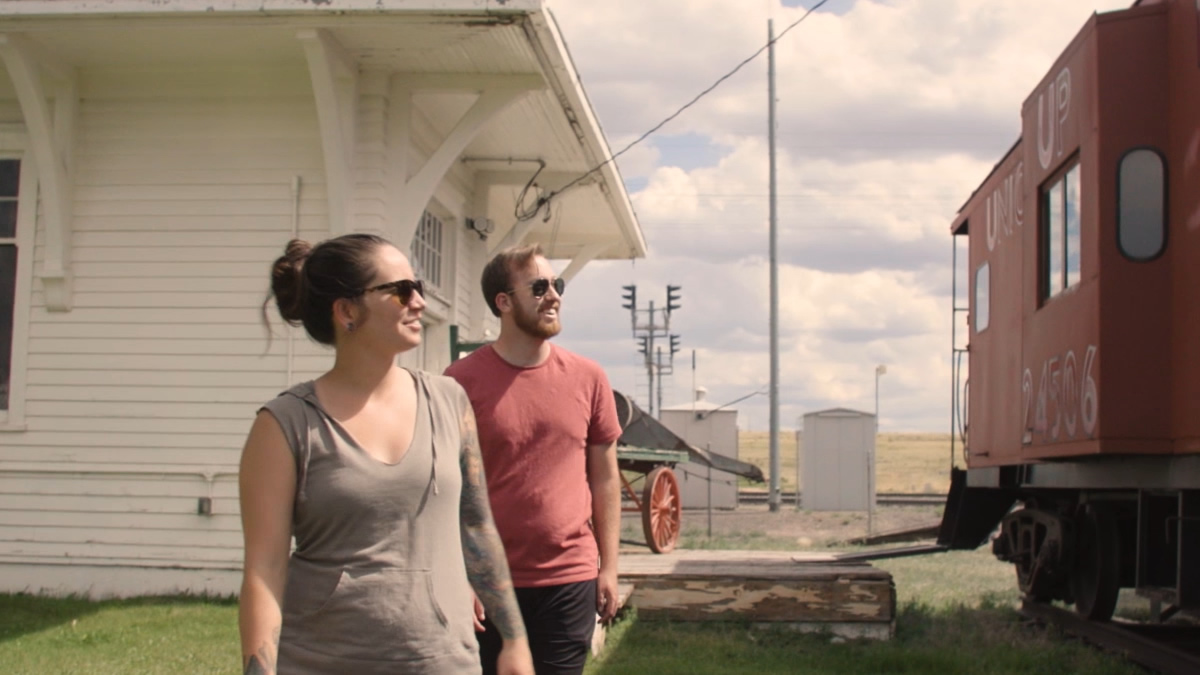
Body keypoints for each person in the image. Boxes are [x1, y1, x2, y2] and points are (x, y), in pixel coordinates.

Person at [238, 233, 534, 675]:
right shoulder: (284, 424)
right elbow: (264, 570)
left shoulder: (449, 401)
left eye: (418, 287)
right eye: (401, 290)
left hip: (444, 662)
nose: (419, 302)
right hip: (321, 663)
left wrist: (514, 640)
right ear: (347, 311)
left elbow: (476, 525)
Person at [444, 244, 622, 675]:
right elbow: (447, 488)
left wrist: (610, 567)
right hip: (488, 583)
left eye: (556, 285)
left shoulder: (589, 378)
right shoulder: (459, 382)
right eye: (539, 287)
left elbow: (605, 479)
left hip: (568, 579)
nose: (554, 295)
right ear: (503, 302)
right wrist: (461, 575)